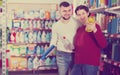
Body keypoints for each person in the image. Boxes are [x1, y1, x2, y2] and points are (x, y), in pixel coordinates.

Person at [70, 5, 107, 75]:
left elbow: (103, 44)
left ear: (87, 13)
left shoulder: (95, 26)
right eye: (79, 14)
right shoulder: (79, 29)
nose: (81, 16)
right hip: (78, 62)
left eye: (83, 13)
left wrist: (95, 30)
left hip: (90, 63)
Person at [50, 1, 79, 75]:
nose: (67, 13)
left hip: (75, 54)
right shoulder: (56, 26)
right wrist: (47, 52)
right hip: (61, 55)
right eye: (64, 11)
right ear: (59, 11)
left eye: (69, 10)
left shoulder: (78, 23)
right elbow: (53, 41)